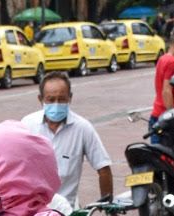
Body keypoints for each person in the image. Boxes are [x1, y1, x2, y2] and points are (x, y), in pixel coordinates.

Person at [21, 71, 113, 207]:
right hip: (31, 209)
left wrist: (107, 205)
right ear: (41, 99)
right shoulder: (27, 125)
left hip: (66, 211)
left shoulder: (82, 128)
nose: (56, 104)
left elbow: (103, 168)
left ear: (70, 98)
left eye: (61, 99)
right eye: (51, 100)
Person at [150, 28, 174, 142]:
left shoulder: (162, 59)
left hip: (157, 114)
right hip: (166, 118)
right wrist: (173, 116)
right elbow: (167, 91)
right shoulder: (173, 62)